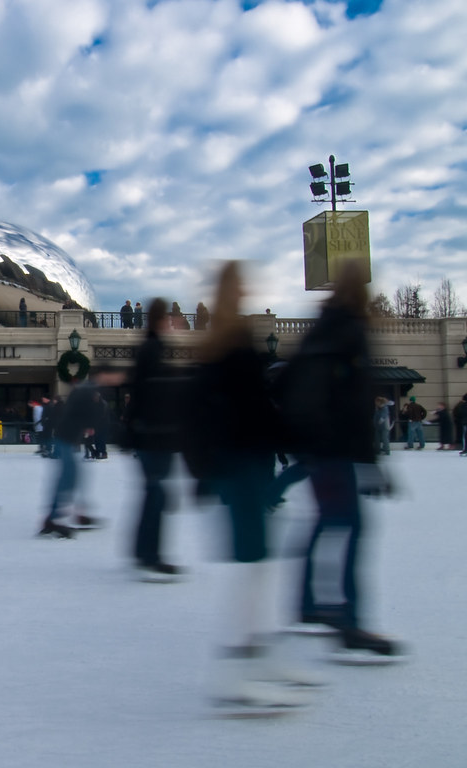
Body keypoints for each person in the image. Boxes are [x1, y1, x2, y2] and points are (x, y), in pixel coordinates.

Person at [193, 261, 319, 714]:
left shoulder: (223, 343)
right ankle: (234, 672)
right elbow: (248, 410)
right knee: (251, 569)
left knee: (259, 565)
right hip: (241, 467)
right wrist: (296, 438)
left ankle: (263, 657)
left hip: (241, 465)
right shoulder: (231, 345)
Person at [279, 260, 403, 660]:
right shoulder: (350, 331)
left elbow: (286, 381)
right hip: (337, 448)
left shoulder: (319, 328)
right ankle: (349, 620)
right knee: (351, 526)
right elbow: (354, 403)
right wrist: (370, 462)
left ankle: (308, 603)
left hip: (315, 447)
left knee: (326, 522)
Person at [125, 297, 185, 581]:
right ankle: (150, 554)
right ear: (162, 320)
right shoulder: (152, 350)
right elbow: (148, 394)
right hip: (154, 435)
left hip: (150, 434)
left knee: (153, 493)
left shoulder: (150, 348)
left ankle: (143, 551)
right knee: (156, 493)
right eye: (171, 318)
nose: (173, 324)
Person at [40, 365, 125, 538]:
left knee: (74, 477)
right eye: (116, 374)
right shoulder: (88, 390)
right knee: (67, 478)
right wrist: (90, 423)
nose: (118, 379)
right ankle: (53, 518)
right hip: (66, 438)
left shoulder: (90, 389)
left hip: (69, 438)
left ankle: (78, 513)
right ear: (105, 374)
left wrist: (89, 424)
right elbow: (77, 411)